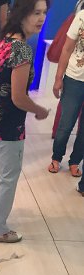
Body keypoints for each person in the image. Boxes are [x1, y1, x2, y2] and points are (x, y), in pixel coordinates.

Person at [0, 0, 50, 243]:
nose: (41, 18)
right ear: (22, 13)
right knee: (7, 178)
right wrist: (39, 110)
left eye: (44, 13)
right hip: (9, 125)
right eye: (36, 12)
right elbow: (19, 98)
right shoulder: (22, 50)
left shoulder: (4, 39)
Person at [49, 6, 84, 177]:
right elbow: (67, 48)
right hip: (74, 78)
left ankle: (75, 160)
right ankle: (56, 157)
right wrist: (58, 78)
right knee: (66, 123)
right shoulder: (82, 16)